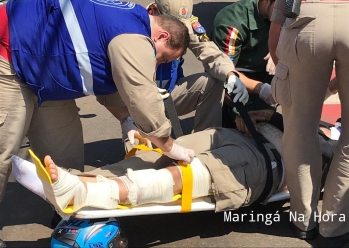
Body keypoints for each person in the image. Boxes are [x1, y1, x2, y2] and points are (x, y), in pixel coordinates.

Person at [0, 0, 194, 221]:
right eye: (164, 58)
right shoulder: (133, 37)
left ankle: (67, 211)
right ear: (161, 36)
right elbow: (141, 95)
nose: (159, 63)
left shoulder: (132, 22)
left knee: (64, 152)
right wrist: (168, 144)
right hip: (10, 53)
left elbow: (112, 79)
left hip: (46, 69)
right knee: (5, 146)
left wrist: (127, 120)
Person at [12, 109, 336, 218]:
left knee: (189, 174)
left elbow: (328, 167)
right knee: (155, 154)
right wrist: (266, 116)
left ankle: (83, 192)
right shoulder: (327, 121)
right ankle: (76, 180)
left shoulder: (341, 152)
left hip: (266, 163)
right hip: (234, 136)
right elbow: (255, 117)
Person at [96, 0, 249, 148]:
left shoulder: (183, 24)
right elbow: (104, 86)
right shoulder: (129, 29)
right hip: (136, 104)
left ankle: (204, 145)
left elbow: (209, 52)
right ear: (153, 11)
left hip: (169, 95)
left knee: (213, 82)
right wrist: (126, 117)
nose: (178, 31)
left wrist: (230, 74)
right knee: (143, 162)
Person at [270, 0, 349, 245]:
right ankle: (336, 223)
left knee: (299, 130)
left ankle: (303, 218)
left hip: (308, 11)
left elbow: (276, 28)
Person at [211, 0, 279, 127]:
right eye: (279, 11)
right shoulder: (232, 23)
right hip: (237, 79)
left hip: (265, 72)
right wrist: (262, 89)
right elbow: (227, 72)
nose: (283, 19)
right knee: (245, 126)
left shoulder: (282, 11)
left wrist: (278, 48)